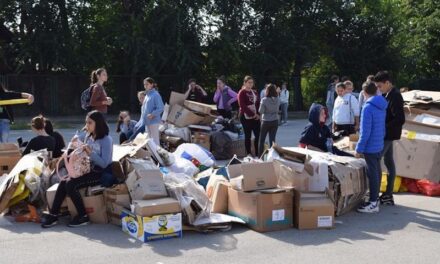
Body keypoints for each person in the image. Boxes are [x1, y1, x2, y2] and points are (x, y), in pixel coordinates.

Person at [41, 111, 113, 228]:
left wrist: (91, 153)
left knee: (71, 185)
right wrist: (76, 140)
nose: (87, 125)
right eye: (86, 122)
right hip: (87, 169)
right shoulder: (89, 135)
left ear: (98, 124)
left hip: (101, 173)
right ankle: (54, 214)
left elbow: (104, 164)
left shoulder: (106, 140)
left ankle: (83, 215)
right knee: (64, 180)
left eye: (90, 123)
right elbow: (77, 139)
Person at [373, 71, 405, 206]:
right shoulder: (388, 94)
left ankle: (379, 193)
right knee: (389, 162)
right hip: (387, 133)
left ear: (387, 83)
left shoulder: (396, 96)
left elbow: (400, 118)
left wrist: (384, 127)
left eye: (380, 86)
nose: (379, 89)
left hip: (388, 134)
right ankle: (387, 194)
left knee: (376, 159)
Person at [355, 81, 387, 213]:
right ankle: (375, 199)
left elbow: (365, 132)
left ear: (364, 92)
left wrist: (359, 148)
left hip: (370, 146)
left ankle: (373, 203)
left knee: (372, 173)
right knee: (377, 172)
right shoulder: (382, 104)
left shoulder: (367, 107)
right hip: (379, 143)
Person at [132, 77, 164, 145]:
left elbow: (161, 107)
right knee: (149, 142)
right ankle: (151, 155)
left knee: (155, 141)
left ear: (152, 84)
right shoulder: (147, 95)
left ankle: (156, 155)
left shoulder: (156, 95)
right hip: (147, 122)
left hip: (154, 121)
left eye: (147, 84)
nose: (145, 86)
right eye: (144, 84)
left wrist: (153, 114)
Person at [238, 75, 260, 157]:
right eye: (249, 83)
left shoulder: (254, 92)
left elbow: (258, 104)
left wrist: (258, 114)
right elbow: (242, 106)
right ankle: (249, 154)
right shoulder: (242, 92)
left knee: (258, 135)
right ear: (245, 83)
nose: (250, 84)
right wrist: (253, 114)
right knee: (248, 136)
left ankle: (257, 153)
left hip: (255, 117)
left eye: (252, 83)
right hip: (245, 117)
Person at [258, 84, 280, 156]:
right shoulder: (278, 99)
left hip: (266, 121)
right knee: (272, 140)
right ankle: (272, 156)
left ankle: (260, 156)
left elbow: (261, 111)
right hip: (275, 120)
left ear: (267, 91)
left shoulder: (264, 100)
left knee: (262, 140)